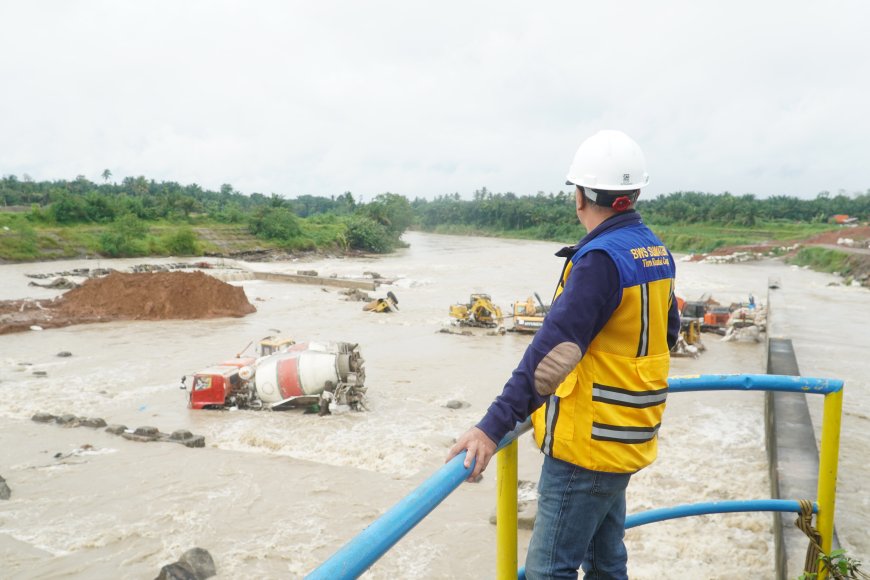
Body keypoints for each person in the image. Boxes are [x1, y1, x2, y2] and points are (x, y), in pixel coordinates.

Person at [446, 130, 680, 579]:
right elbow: (665, 335)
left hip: (588, 442)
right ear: (632, 196)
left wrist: (492, 427)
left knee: (547, 570)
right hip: (631, 429)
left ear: (580, 197)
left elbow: (552, 351)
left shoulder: (600, 261)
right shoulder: (655, 251)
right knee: (606, 561)